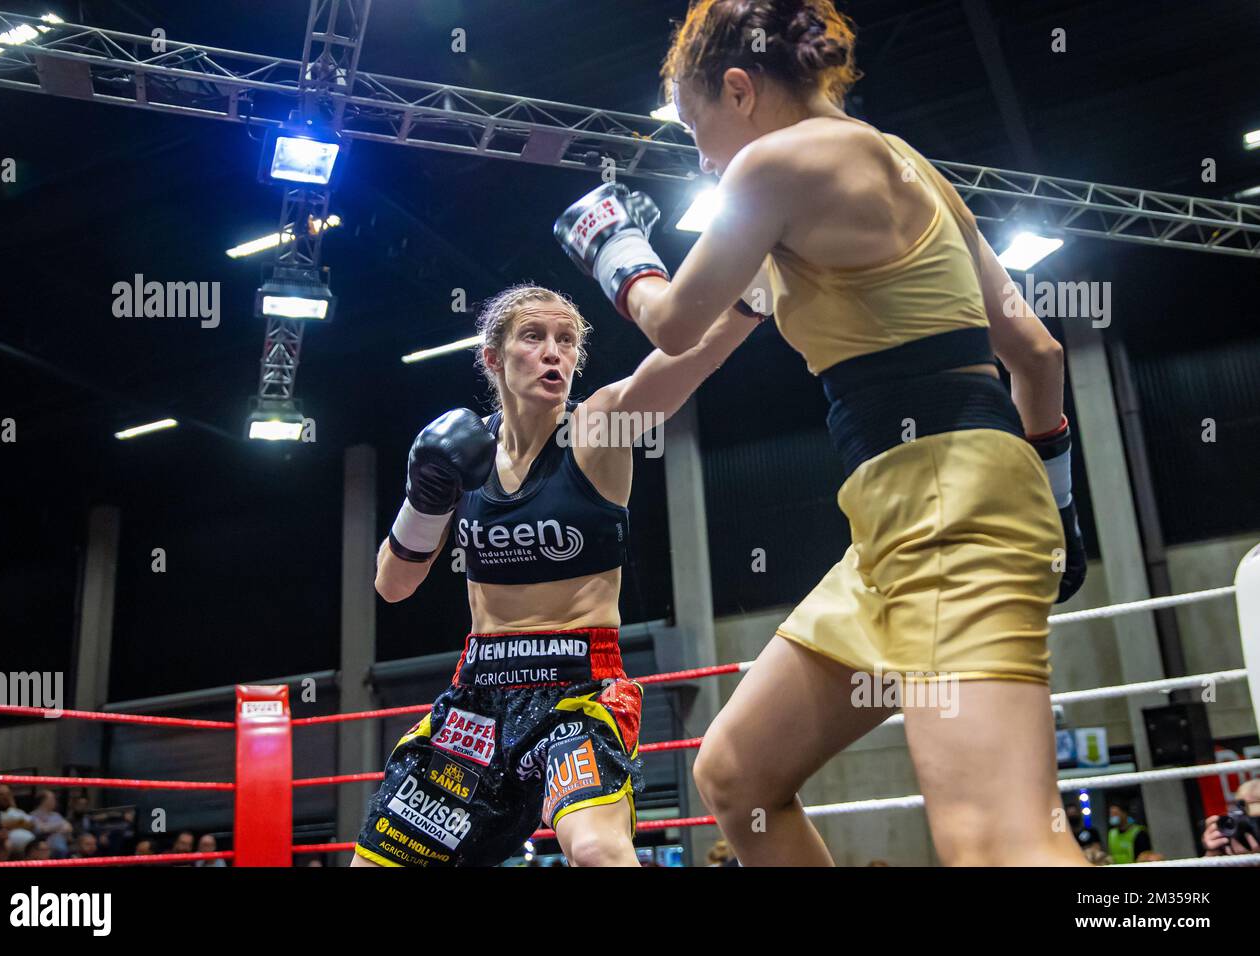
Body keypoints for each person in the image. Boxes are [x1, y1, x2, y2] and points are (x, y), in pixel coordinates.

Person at [553, 0, 1088, 866]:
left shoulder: (774, 165)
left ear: (739, 89)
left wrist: (613, 244)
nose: (703, 158)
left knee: (998, 841)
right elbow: (1036, 353)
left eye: (695, 127)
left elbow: (672, 320)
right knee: (737, 775)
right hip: (899, 524)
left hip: (951, 510)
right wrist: (1058, 509)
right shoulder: (900, 170)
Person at [352, 283, 757, 867]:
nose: (553, 353)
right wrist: (425, 497)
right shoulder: (463, 455)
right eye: (534, 337)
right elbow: (393, 586)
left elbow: (680, 367)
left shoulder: (597, 428)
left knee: (595, 849)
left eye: (567, 341)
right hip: (478, 699)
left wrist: (750, 302)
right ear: (493, 357)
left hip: (578, 688)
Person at [1202, 778, 1260, 857]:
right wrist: (1213, 854)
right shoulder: (1229, 839)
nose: (1252, 831)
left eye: (1257, 821)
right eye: (1244, 820)